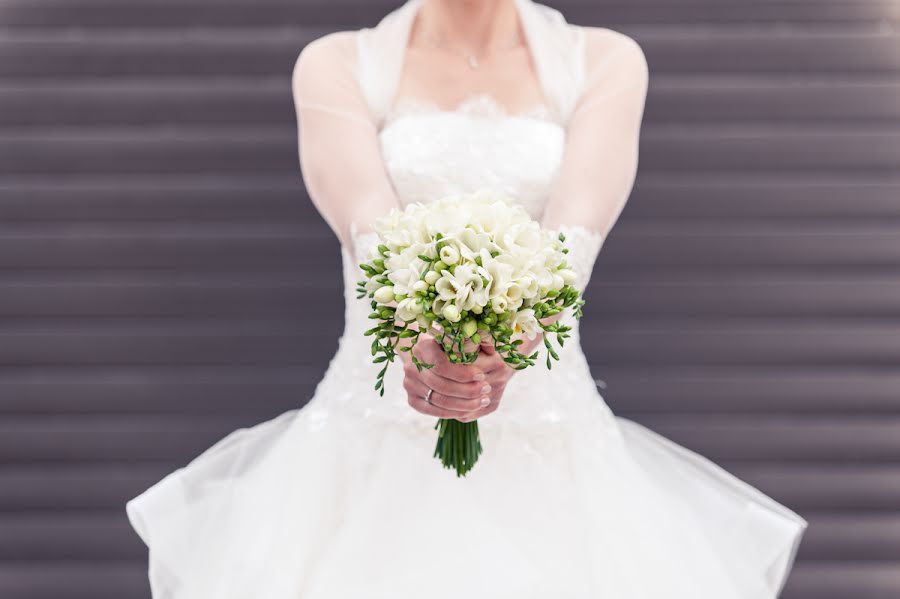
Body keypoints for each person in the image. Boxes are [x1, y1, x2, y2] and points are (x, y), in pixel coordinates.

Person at [125, 0, 808, 596]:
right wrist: (419, 342)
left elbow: (579, 226)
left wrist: (510, 343)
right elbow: (366, 219)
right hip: (374, 426)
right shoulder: (340, 64)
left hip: (551, 434)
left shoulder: (603, 62)